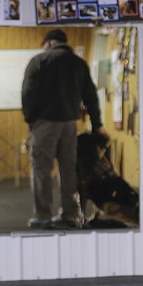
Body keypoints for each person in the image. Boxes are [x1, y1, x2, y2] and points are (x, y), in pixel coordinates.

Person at [21, 28, 103, 228]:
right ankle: (70, 213)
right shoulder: (79, 64)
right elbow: (91, 96)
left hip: (44, 123)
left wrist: (31, 119)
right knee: (69, 170)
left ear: (48, 43)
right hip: (69, 124)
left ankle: (43, 216)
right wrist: (97, 124)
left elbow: (28, 92)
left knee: (42, 169)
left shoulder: (39, 61)